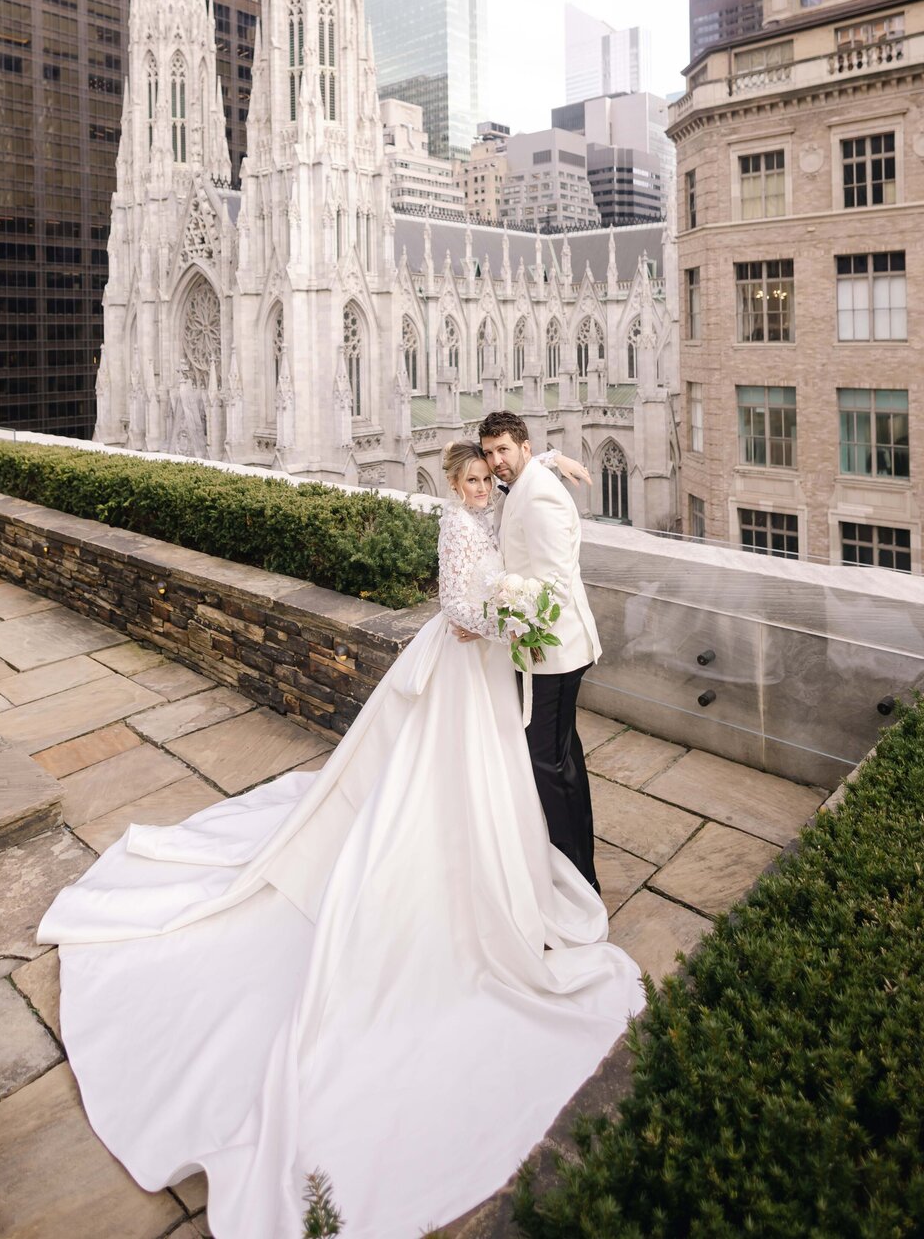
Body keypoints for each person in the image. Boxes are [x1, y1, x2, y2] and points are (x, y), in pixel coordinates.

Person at [37, 442, 643, 1239]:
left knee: (483, 775)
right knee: (442, 783)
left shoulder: (489, 508)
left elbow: (489, 572)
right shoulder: (459, 526)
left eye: (484, 472)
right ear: (455, 482)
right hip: (466, 654)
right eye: (469, 475)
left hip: (481, 663)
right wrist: (495, 614)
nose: (478, 482)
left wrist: (528, 526)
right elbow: (460, 602)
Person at [467, 411, 601, 893]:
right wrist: (550, 456)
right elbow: (526, 468)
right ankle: (573, 865)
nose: (495, 462)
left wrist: (503, 625)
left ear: (522, 446)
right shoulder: (528, 477)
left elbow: (553, 585)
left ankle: (579, 879)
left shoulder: (540, 497)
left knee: (548, 761)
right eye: (488, 452)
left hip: (555, 651)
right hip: (545, 649)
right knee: (561, 757)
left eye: (503, 450)